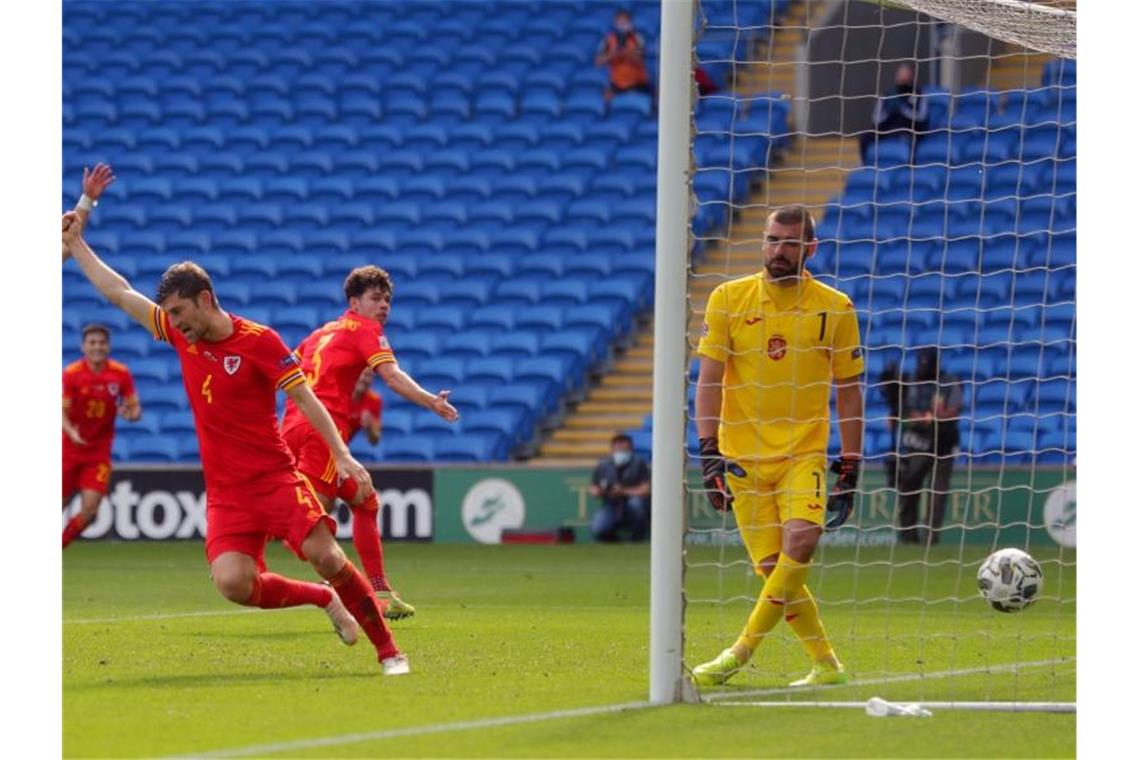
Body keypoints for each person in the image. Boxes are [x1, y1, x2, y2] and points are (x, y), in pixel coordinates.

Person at [61, 211, 410, 676]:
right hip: (227, 493)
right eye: (170, 316)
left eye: (181, 313)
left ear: (204, 300)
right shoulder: (182, 336)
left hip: (275, 479)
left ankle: (389, 652)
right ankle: (323, 599)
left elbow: (305, 399)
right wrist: (77, 243)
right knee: (233, 583)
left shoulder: (260, 342)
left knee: (325, 554)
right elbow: (119, 292)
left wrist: (343, 455)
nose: (175, 324)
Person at [691, 205, 864, 688]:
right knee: (772, 569)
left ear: (810, 248)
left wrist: (851, 462)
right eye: (772, 240)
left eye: (790, 243)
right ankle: (826, 664)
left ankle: (738, 652)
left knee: (802, 543)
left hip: (802, 453)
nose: (779, 251)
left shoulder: (836, 307)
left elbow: (849, 390)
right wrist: (708, 451)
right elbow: (708, 382)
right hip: (742, 456)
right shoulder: (728, 299)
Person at [281, 266, 459, 620]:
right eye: (375, 298)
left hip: (293, 427)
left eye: (387, 299)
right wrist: (431, 402)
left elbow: (285, 371)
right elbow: (391, 376)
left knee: (364, 498)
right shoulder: (365, 329)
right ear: (354, 302)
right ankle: (340, 592)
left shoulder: (320, 333)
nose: (384, 306)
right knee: (310, 520)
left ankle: (380, 591)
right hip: (322, 430)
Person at [62, 324, 142, 548]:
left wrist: (130, 414)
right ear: (83, 346)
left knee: (90, 509)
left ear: (108, 346)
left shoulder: (120, 373)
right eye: (92, 343)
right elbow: (60, 411)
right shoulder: (72, 374)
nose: (97, 347)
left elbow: (136, 410)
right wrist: (71, 431)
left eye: (102, 343)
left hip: (98, 453)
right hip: (67, 450)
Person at [895, 348, 961, 545]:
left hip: (943, 443)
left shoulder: (949, 381)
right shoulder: (910, 381)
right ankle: (908, 536)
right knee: (909, 487)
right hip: (917, 444)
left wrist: (935, 417)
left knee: (937, 492)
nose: (923, 369)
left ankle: (931, 538)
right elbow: (903, 413)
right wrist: (920, 418)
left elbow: (954, 410)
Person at [587, 433, 651, 543]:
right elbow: (593, 488)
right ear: (612, 449)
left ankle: (637, 538)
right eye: (618, 449)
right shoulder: (604, 465)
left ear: (631, 449)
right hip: (611, 503)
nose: (620, 453)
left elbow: (646, 489)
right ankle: (613, 541)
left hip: (633, 502)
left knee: (636, 504)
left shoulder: (639, 463)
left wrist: (624, 491)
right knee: (598, 526)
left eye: (624, 450)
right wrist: (602, 491)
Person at [860, 62, 928, 160]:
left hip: (909, 129)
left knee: (909, 141)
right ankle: (865, 165)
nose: (903, 78)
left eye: (906, 75)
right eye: (901, 75)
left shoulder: (920, 94)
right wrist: (889, 113)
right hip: (888, 128)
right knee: (866, 138)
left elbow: (922, 117)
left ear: (911, 76)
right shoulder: (887, 94)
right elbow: (875, 118)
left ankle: (909, 169)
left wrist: (903, 109)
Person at [595, 7, 652, 104]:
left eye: (625, 21)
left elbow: (641, 59)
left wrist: (626, 52)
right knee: (606, 96)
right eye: (620, 21)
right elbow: (598, 62)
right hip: (617, 83)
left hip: (637, 83)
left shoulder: (637, 38)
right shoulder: (608, 40)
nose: (622, 24)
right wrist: (614, 54)